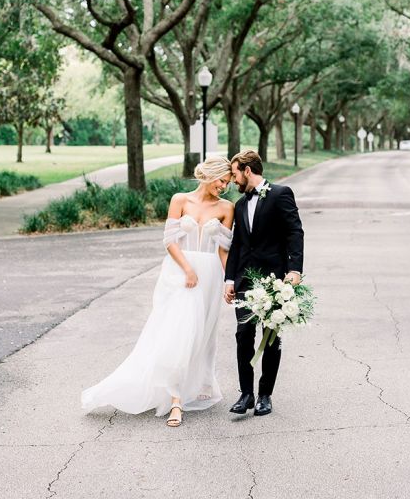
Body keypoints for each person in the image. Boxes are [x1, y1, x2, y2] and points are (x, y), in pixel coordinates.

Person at [82, 156, 234, 428]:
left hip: (210, 274)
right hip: (180, 273)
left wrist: (228, 281)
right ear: (210, 175)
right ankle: (175, 400)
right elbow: (169, 241)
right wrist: (187, 269)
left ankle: (200, 383)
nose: (225, 186)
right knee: (178, 332)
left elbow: (223, 249)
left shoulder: (227, 207)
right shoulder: (180, 200)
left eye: (228, 182)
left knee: (203, 332)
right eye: (222, 180)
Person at [224, 149, 304, 417]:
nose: (233, 181)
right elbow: (237, 245)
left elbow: (295, 232)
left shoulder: (281, 194)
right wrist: (228, 279)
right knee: (243, 335)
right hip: (244, 279)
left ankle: (265, 395)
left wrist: (294, 269)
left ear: (248, 170)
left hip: (274, 278)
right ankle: (245, 393)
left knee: (271, 338)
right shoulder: (239, 205)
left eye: (235, 174)